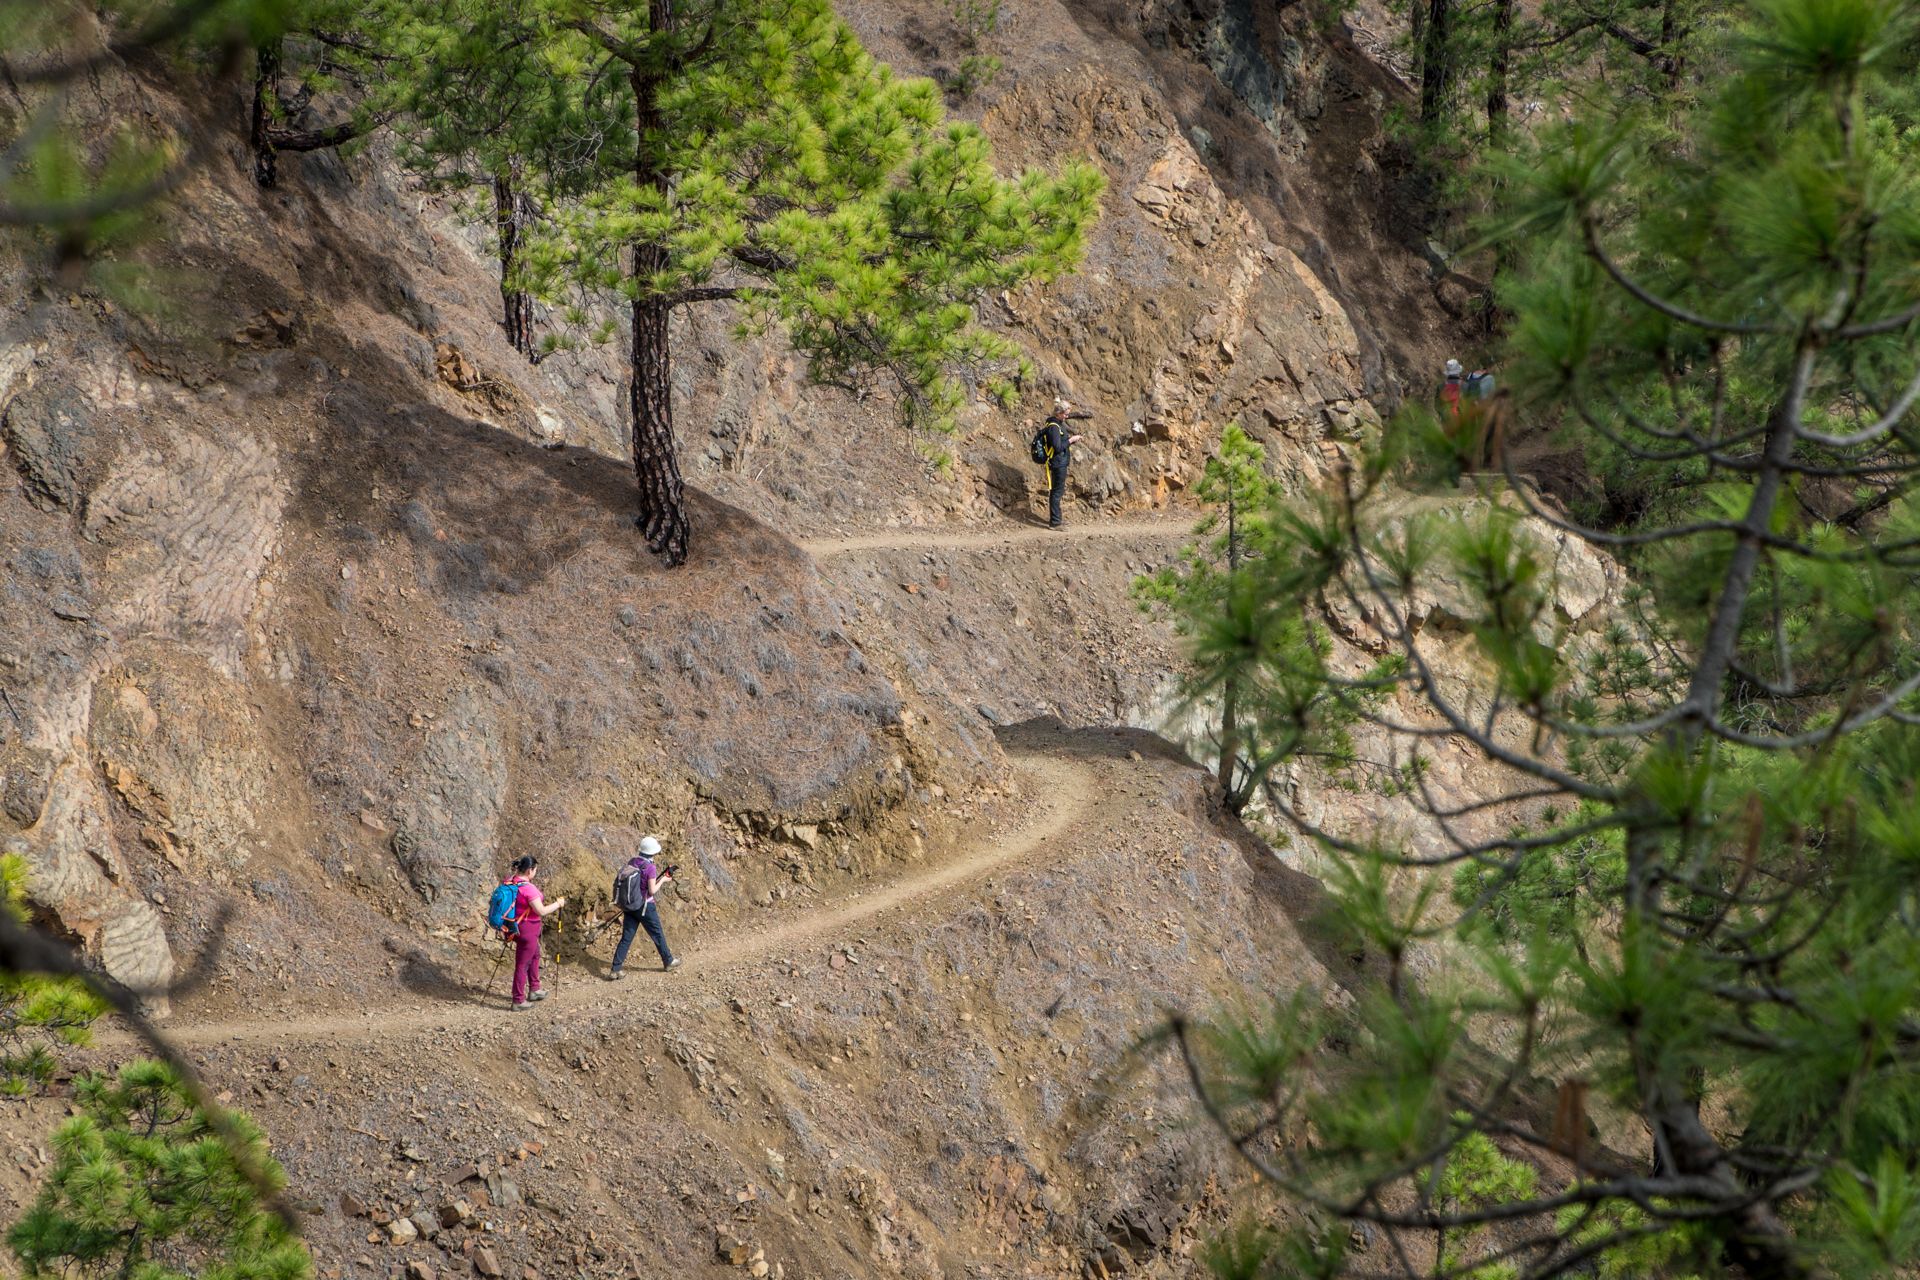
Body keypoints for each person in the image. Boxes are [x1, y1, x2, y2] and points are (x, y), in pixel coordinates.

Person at [609, 835, 680, 977]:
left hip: (631, 906)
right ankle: (668, 961)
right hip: (646, 906)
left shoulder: (633, 861)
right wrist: (664, 880)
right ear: (653, 852)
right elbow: (652, 890)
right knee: (657, 934)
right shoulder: (650, 867)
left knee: (626, 938)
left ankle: (615, 969)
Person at [507, 855, 566, 1011]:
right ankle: (518, 1000)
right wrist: (558, 904)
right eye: (535, 870)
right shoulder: (528, 888)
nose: (535, 873)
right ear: (529, 870)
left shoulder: (511, 881)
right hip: (528, 931)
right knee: (522, 964)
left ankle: (535, 988)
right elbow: (541, 911)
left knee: (535, 955)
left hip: (516, 928)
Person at [1039, 397, 1089, 529]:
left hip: (1059, 462)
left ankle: (1057, 520)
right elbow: (1057, 447)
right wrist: (1071, 440)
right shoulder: (1054, 427)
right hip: (1057, 463)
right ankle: (1055, 523)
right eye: (1065, 414)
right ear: (1058, 413)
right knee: (1056, 492)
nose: (1067, 417)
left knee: (1058, 491)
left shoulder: (1056, 424)